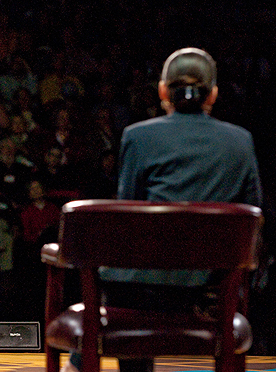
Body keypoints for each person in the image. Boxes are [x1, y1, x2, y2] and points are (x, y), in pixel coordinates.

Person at [61, 48, 263, 372]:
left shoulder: (139, 136)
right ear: (212, 94)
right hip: (206, 289)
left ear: (162, 91)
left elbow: (131, 213)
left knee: (126, 281)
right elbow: (253, 218)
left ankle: (79, 362)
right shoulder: (241, 142)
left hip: (137, 289)